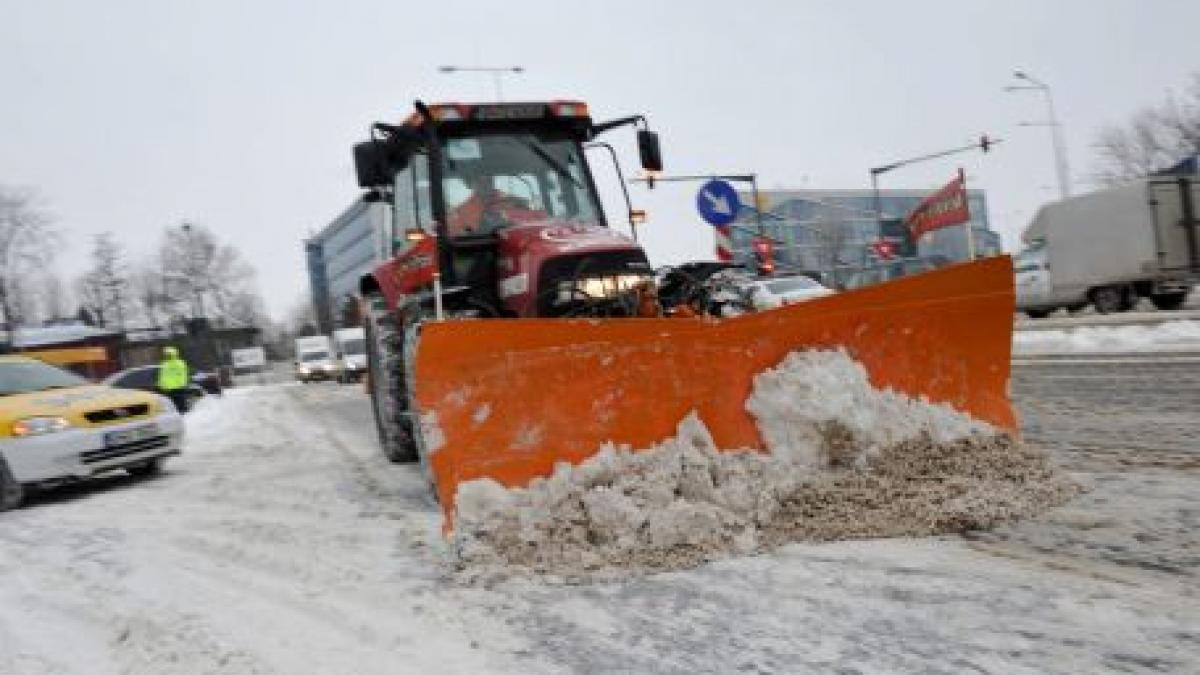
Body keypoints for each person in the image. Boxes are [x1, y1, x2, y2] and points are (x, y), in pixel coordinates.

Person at [157, 346, 191, 413]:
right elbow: (162, 376)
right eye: (166, 354)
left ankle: (185, 416)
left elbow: (183, 374)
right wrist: (161, 384)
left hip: (179, 387)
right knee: (173, 405)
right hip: (169, 389)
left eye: (168, 354)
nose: (167, 356)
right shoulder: (164, 364)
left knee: (181, 405)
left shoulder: (179, 363)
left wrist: (183, 384)